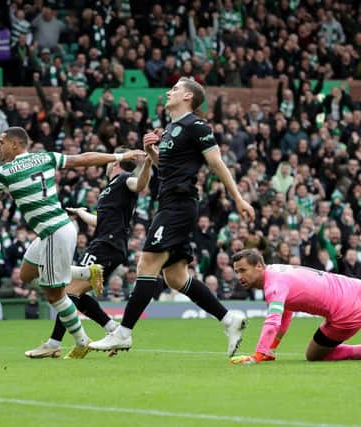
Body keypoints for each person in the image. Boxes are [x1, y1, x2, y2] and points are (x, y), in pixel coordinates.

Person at [90, 78, 255, 357]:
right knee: (177, 278)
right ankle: (230, 319)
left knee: (147, 263)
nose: (169, 92)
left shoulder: (197, 126)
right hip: (168, 201)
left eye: (175, 89)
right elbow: (165, 169)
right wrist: (153, 152)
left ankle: (123, 333)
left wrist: (238, 198)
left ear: (188, 96)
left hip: (179, 205)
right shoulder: (169, 130)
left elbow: (216, 163)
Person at [0, 127, 145, 359]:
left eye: (1, 142)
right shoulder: (45, 157)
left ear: (15, 145)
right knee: (26, 274)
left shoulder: (3, 172)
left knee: (55, 295)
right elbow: (84, 159)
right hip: (58, 229)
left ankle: (74, 341)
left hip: (53, 232)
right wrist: (117, 156)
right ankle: (86, 273)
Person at [24, 145, 152, 359]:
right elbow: (101, 222)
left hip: (107, 245)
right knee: (77, 294)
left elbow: (139, 184)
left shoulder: (124, 180)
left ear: (115, 163)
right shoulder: (111, 188)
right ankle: (113, 329)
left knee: (69, 291)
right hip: (106, 243)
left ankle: (54, 343)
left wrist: (146, 163)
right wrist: (81, 214)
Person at [230, 249, 361, 364]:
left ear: (258, 266)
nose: (239, 277)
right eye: (237, 272)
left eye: (243, 270)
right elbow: (286, 313)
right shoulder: (275, 270)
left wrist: (257, 356)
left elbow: (273, 323)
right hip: (355, 286)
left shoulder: (273, 285)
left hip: (347, 311)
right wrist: (270, 350)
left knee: (313, 355)